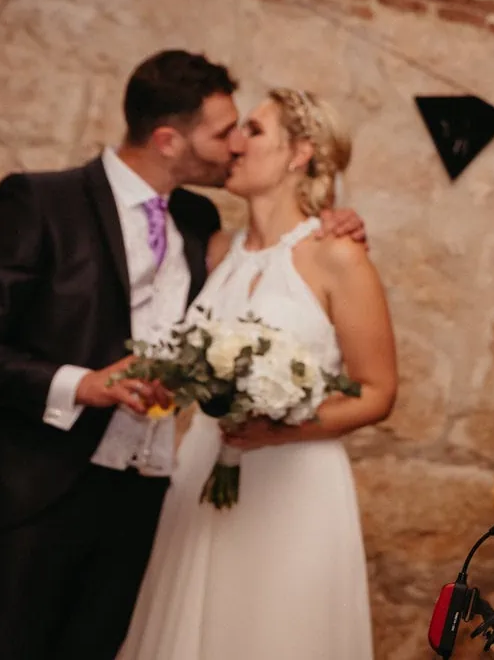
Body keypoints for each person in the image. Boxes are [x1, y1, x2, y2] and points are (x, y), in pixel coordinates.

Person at [0, 50, 366, 660]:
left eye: (246, 130)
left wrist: (335, 218)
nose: (235, 145)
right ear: (168, 140)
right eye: (224, 132)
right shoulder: (41, 202)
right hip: (37, 493)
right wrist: (82, 384)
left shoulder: (197, 220)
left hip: (145, 505)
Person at [118, 87, 397, 660]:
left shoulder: (337, 255)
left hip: (294, 480)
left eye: (254, 129)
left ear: (300, 153)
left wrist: (280, 430)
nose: (236, 144)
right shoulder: (216, 250)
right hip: (203, 465)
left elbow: (378, 392)